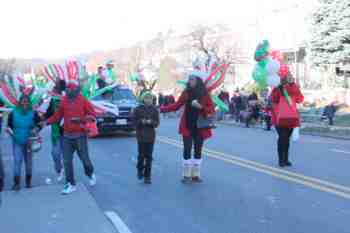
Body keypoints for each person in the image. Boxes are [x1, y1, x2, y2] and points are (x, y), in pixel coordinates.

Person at [160, 75, 215, 183]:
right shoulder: (186, 92)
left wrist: (201, 107)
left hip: (200, 126)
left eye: (192, 79)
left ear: (198, 81)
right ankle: (186, 175)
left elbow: (211, 109)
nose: (189, 81)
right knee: (187, 149)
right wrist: (162, 109)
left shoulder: (205, 94)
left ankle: (195, 175)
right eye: (189, 79)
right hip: (187, 126)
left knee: (198, 150)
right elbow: (177, 105)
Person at [46, 81, 97, 194]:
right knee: (67, 161)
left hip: (80, 136)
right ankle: (70, 184)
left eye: (70, 90)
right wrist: (47, 122)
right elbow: (58, 115)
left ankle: (90, 173)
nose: (68, 92)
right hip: (67, 136)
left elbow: (93, 115)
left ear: (75, 91)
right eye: (67, 90)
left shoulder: (82, 99)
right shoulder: (64, 100)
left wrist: (81, 120)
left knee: (85, 160)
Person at [7, 95, 42, 191]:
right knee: (17, 162)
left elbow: (40, 123)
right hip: (17, 141)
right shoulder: (13, 113)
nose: (25, 103)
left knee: (29, 162)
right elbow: (9, 126)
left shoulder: (33, 113)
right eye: (23, 101)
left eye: (27, 101)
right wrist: (10, 132)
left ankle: (28, 182)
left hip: (30, 141)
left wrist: (36, 129)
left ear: (29, 102)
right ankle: (16, 183)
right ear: (19, 102)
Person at [271, 73, 304, 167]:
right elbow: (274, 99)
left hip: (291, 117)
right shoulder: (278, 87)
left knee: (286, 139)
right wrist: (280, 89)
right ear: (284, 78)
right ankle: (281, 160)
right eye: (289, 77)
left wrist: (293, 86)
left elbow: (300, 99)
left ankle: (285, 159)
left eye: (292, 77)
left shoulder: (294, 86)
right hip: (279, 117)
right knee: (282, 138)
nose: (291, 78)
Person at [134, 92, 160, 184]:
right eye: (147, 98)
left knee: (149, 157)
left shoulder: (155, 110)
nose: (148, 100)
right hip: (141, 136)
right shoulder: (137, 109)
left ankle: (147, 176)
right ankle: (140, 169)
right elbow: (134, 122)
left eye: (150, 98)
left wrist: (151, 122)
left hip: (150, 136)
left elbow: (157, 123)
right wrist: (141, 121)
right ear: (143, 99)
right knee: (141, 156)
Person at [44, 80, 66, 182]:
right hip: (56, 132)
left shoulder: (68, 99)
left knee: (66, 155)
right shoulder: (53, 101)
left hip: (68, 132)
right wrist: (39, 119)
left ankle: (68, 175)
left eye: (56, 88)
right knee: (55, 153)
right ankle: (59, 169)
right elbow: (48, 114)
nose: (55, 89)